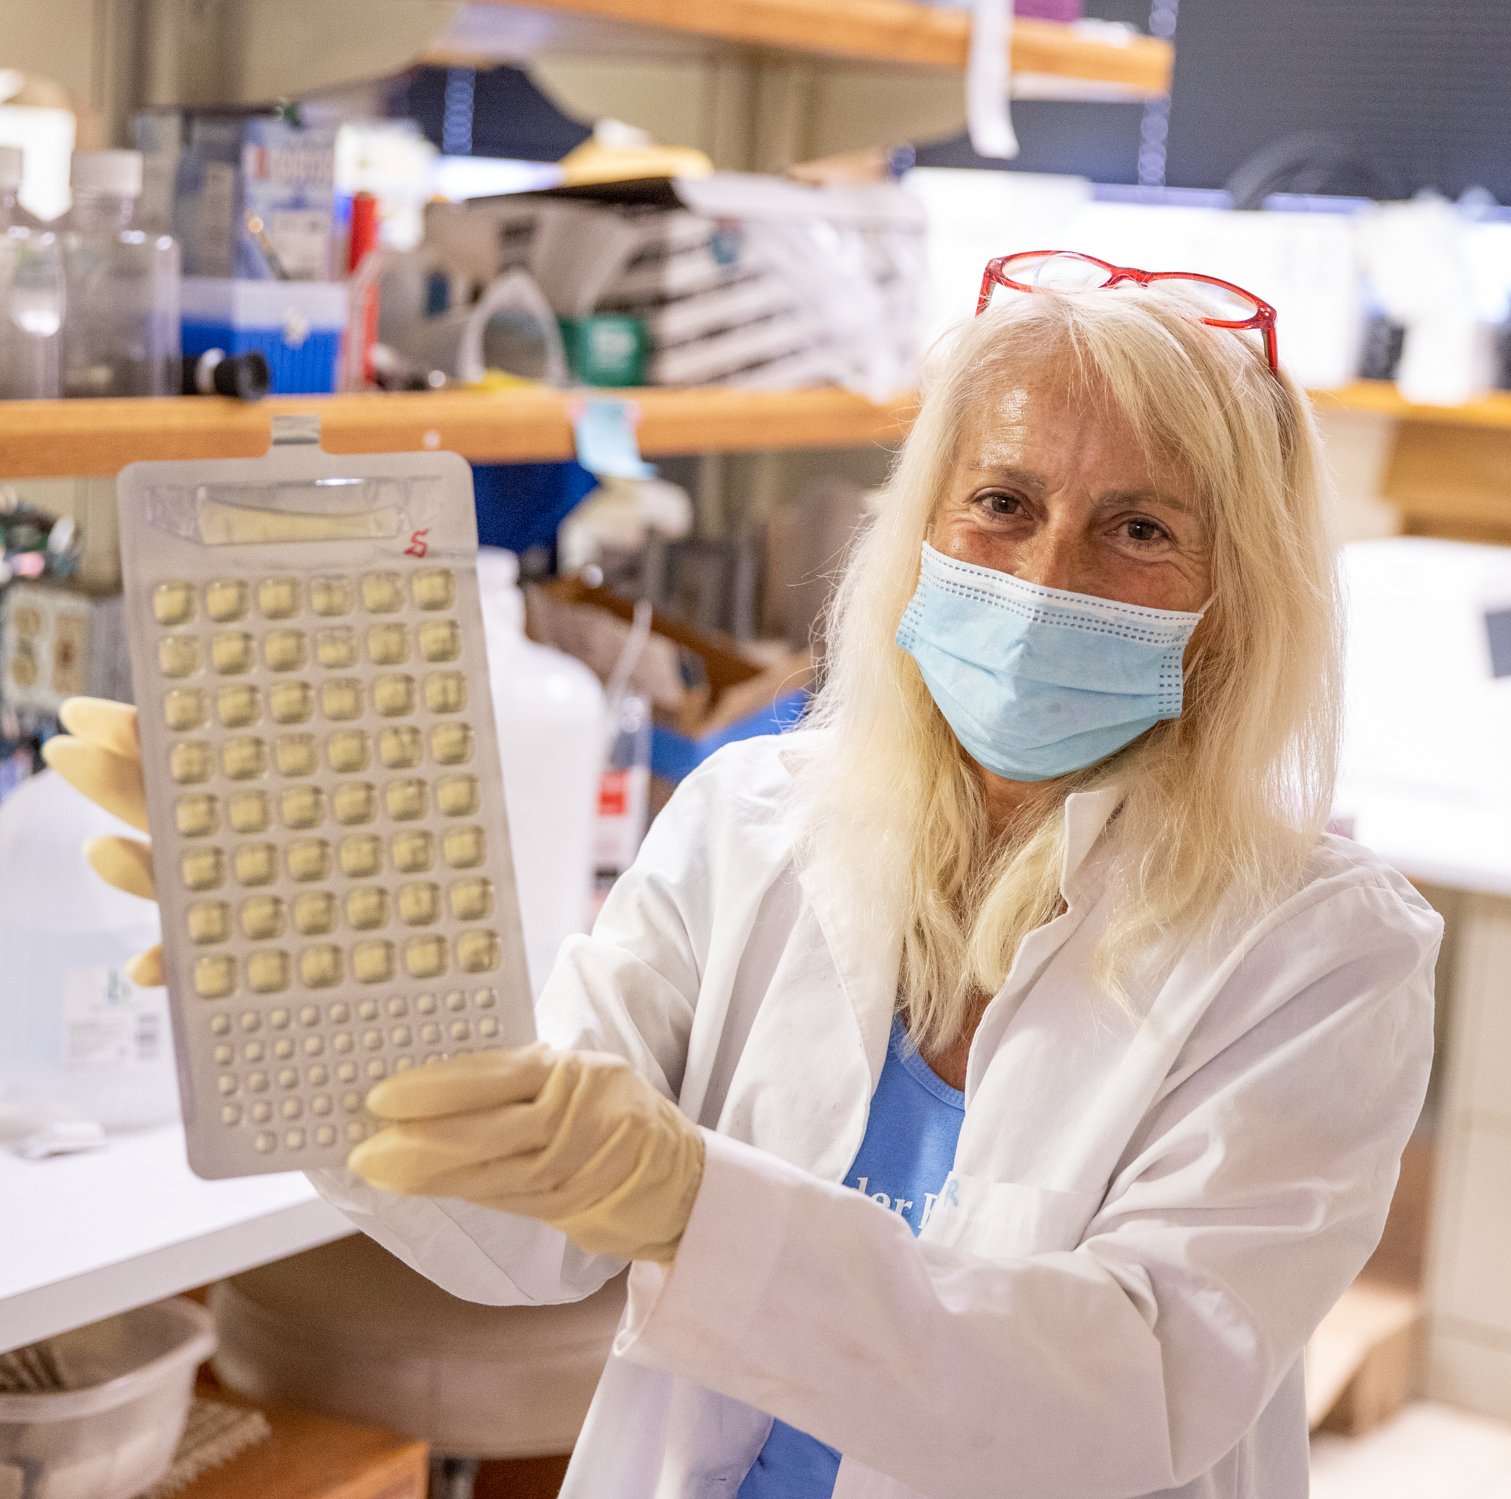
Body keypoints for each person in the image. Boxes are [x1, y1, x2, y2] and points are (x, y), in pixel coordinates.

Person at [49, 252, 1440, 1499]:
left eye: (1140, 528)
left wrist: (690, 1204)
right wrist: (313, 982)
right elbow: (528, 1241)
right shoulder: (756, 820)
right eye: (1002, 502)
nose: (1044, 579)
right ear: (919, 537)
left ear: (1236, 595)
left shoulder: (1322, 957)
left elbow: (1129, 1392)